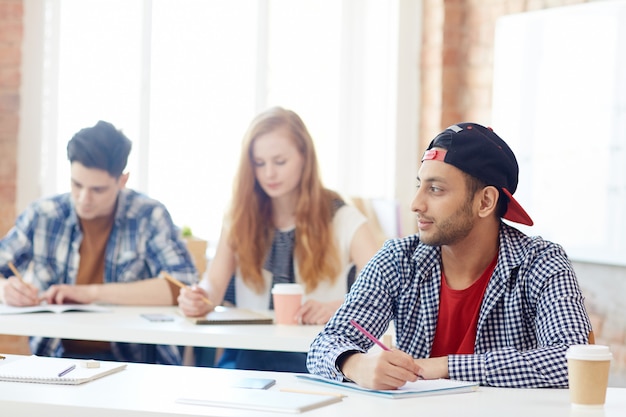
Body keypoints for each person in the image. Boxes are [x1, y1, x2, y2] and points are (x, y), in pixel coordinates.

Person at [307, 122, 593, 389]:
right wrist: (356, 364)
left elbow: (572, 361)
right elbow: (324, 345)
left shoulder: (540, 263)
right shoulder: (398, 260)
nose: (416, 203)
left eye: (435, 189)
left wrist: (444, 367)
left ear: (485, 201)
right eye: (419, 185)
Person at [177, 106, 380, 372]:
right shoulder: (239, 216)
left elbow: (384, 289)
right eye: (259, 164)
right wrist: (199, 297)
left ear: (305, 158)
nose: (269, 173)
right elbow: (214, 284)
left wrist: (338, 307)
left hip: (319, 358)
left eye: (280, 162)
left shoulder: (342, 217)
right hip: (248, 357)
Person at [0, 120, 197, 365]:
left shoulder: (148, 215)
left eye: (98, 189)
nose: (84, 199)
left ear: (122, 180)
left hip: (134, 363)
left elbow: (182, 285)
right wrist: (7, 290)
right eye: (77, 184)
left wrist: (89, 293)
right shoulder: (43, 214)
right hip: (53, 360)